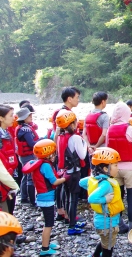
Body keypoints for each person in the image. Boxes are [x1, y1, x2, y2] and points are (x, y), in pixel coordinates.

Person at [106, 102, 132, 232]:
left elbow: (107, 150)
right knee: (131, 198)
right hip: (131, 168)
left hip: (115, 168)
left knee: (118, 197)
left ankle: (119, 224)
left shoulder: (109, 130)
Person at [22, 139, 65, 256]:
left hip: (42, 197)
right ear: (48, 154)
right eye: (54, 153)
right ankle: (45, 249)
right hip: (47, 199)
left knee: (48, 222)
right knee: (49, 224)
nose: (55, 155)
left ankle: (47, 243)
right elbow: (54, 182)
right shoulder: (46, 165)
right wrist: (66, 178)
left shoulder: (40, 163)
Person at [79, 147, 124, 257]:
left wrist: (93, 185)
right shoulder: (106, 184)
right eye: (115, 165)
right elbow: (91, 198)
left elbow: (81, 182)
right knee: (108, 249)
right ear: (105, 168)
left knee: (105, 242)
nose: (118, 168)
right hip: (107, 223)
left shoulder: (96, 179)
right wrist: (104, 199)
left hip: (102, 220)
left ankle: (95, 255)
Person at [55, 110, 87, 235]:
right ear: (72, 124)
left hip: (64, 172)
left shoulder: (60, 137)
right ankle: (72, 226)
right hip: (74, 172)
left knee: (67, 197)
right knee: (73, 199)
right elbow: (82, 155)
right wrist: (84, 142)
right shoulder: (75, 138)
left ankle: (70, 220)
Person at [51, 86, 81, 221]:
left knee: (63, 183)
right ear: (69, 99)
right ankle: (63, 211)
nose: (78, 100)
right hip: (65, 154)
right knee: (64, 184)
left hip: (62, 152)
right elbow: (57, 133)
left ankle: (63, 210)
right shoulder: (63, 113)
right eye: (77, 97)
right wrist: (55, 152)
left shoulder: (64, 111)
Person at [15, 107, 39, 206]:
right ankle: (33, 200)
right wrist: (41, 141)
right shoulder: (26, 129)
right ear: (24, 118)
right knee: (30, 177)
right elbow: (31, 143)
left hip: (22, 156)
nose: (31, 117)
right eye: (29, 115)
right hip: (28, 156)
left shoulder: (20, 128)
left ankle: (24, 197)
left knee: (25, 176)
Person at [0, 105, 20, 214]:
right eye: (11, 115)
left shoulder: (7, 133)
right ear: (1, 118)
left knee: (9, 208)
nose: (14, 118)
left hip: (9, 176)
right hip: (4, 180)